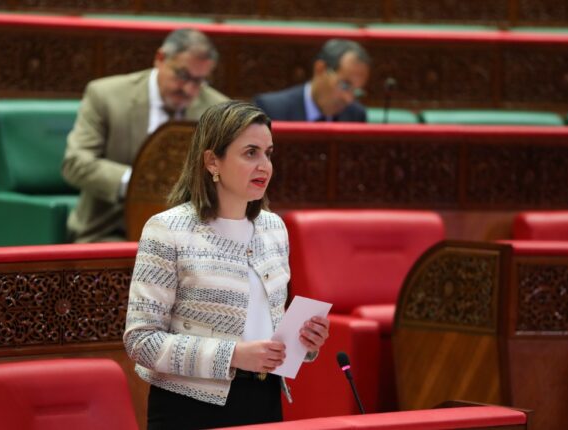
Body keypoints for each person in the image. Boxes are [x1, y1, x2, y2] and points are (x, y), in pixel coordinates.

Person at [123, 101, 330, 429]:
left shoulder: (274, 228)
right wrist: (233, 355)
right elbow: (142, 341)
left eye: (268, 153)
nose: (264, 166)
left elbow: (267, 326)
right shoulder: (167, 229)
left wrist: (303, 341)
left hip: (264, 397)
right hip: (189, 408)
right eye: (250, 153)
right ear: (211, 161)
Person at [62, 28, 228, 243]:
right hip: (111, 230)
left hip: (192, 236)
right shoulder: (106, 96)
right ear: (160, 58)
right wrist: (138, 183)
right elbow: (75, 163)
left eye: (199, 81)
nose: (189, 89)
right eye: (182, 75)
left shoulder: (219, 109)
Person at [254, 39, 370, 123]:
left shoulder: (355, 115)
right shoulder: (271, 110)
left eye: (356, 91)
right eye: (345, 85)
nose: (348, 99)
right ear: (320, 69)